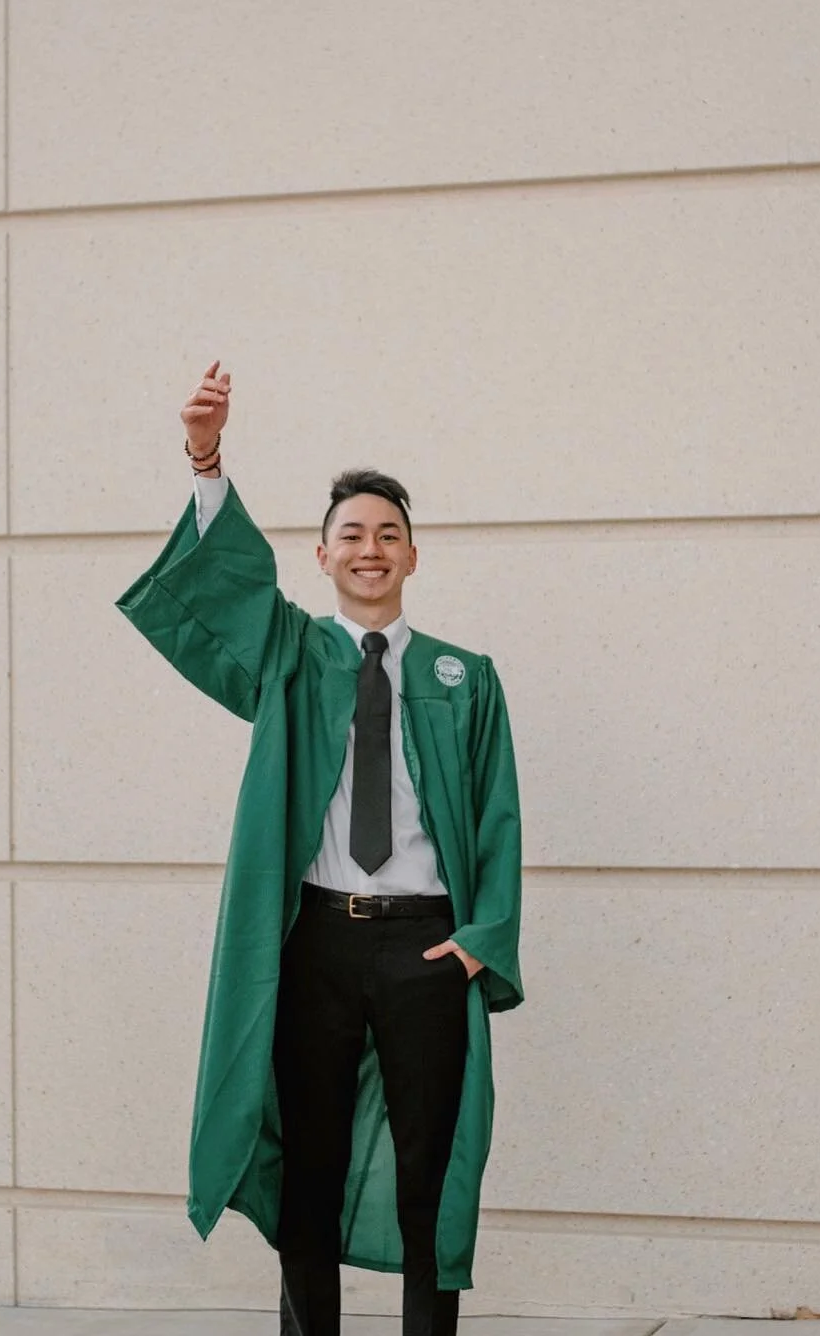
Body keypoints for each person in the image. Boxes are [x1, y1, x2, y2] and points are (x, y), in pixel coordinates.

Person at [117, 361, 523, 1336]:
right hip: (318, 947)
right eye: (352, 534)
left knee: (430, 1174)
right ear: (323, 554)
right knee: (311, 1171)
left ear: (412, 554)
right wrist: (206, 460)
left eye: (387, 534)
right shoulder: (292, 654)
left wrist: (480, 943)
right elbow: (228, 584)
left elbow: (500, 821)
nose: (369, 548)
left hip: (428, 947)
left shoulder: (465, 677)